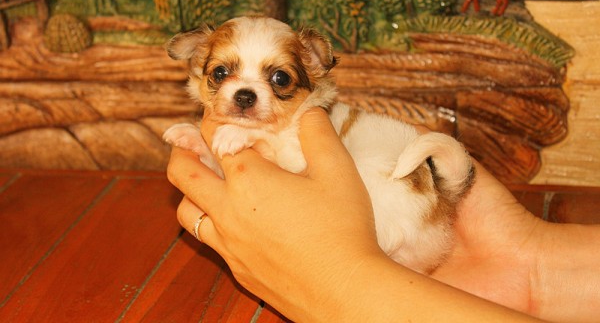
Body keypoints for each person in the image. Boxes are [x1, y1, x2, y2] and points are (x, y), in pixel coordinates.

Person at [167, 107, 600, 323]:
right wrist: (529, 266)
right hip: (422, 228)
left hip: (402, 217)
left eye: (280, 78)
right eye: (220, 74)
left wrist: (345, 289)